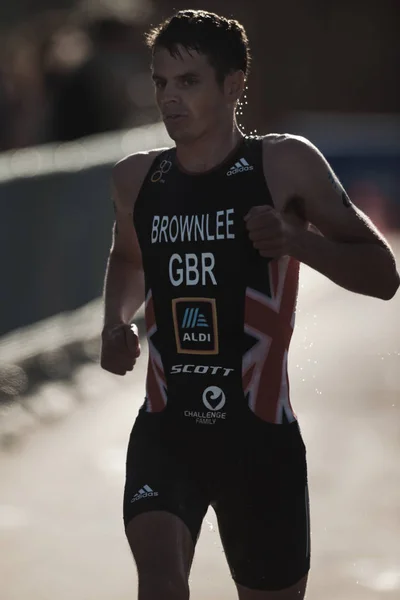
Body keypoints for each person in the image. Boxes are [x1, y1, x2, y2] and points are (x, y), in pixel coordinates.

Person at [100, 9, 400, 600]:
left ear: (233, 85)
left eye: (188, 82)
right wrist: (113, 323)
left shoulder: (284, 164)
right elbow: (129, 259)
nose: (169, 99)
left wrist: (297, 242)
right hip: (166, 431)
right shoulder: (138, 179)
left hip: (259, 443)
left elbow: (384, 275)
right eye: (161, 82)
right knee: (159, 584)